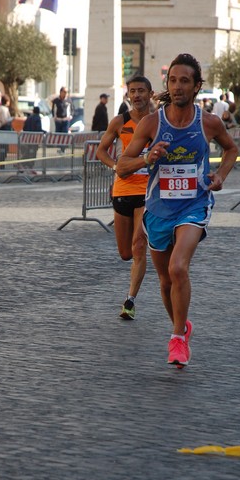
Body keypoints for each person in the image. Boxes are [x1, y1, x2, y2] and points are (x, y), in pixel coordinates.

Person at [116, 53, 238, 368]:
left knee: (178, 268)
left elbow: (232, 148)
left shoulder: (208, 122)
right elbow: (122, 167)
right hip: (158, 209)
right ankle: (182, 326)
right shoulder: (151, 123)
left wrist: (220, 176)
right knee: (166, 281)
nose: (178, 86)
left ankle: (177, 339)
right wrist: (146, 159)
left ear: (197, 86)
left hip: (193, 205)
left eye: (185, 81)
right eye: (173, 80)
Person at [96, 76, 154, 320]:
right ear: (128, 95)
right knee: (125, 253)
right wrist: (114, 166)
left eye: (141, 90)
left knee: (139, 246)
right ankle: (135, 270)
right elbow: (101, 150)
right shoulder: (120, 121)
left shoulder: (158, 121)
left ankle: (130, 301)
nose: (137, 95)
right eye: (133, 91)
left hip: (147, 192)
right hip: (122, 190)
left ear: (150, 93)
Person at [0, 94, 13, 167]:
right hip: (3, 129)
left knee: (2, 148)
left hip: (0, 129)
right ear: (7, 101)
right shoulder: (4, 109)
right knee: (3, 148)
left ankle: (1, 163)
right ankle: (1, 164)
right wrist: (11, 119)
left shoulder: (0, 108)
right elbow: (4, 120)